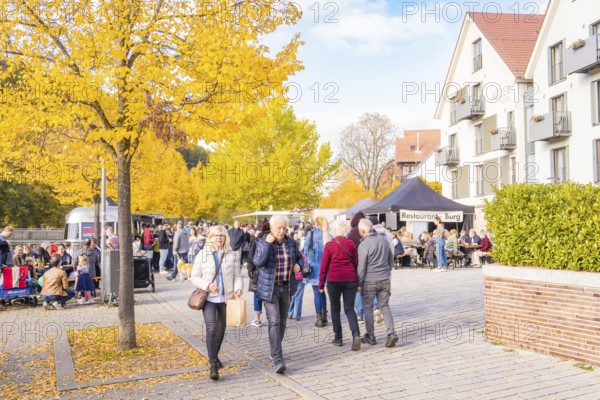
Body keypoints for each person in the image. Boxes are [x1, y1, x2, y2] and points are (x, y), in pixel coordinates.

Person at [190, 225, 243, 380]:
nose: (219, 239)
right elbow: (194, 277)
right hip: (209, 299)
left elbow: (238, 276)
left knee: (221, 330)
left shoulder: (231, 255)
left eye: (222, 236)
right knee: (211, 329)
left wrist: (238, 288)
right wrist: (208, 285)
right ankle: (213, 365)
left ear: (225, 238)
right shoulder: (203, 254)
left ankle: (215, 355)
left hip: (226, 298)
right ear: (210, 237)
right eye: (216, 236)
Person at [252, 214, 303, 374]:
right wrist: (267, 244)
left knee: (282, 323)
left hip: (286, 287)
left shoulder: (292, 243)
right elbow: (258, 262)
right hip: (270, 288)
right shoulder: (262, 241)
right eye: (278, 228)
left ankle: (274, 351)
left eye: (283, 228)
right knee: (274, 321)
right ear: (272, 229)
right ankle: (278, 358)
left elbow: (300, 259)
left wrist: (298, 266)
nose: (281, 231)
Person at [318, 220, 361, 351]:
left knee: (335, 309)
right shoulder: (351, 244)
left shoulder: (330, 245)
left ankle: (338, 337)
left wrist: (321, 284)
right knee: (349, 308)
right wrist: (358, 281)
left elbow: (324, 266)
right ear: (345, 230)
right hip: (350, 279)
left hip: (334, 280)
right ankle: (356, 334)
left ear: (334, 230)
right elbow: (356, 262)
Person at [356, 218, 398, 347]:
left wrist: (359, 283)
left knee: (368, 308)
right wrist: (386, 272)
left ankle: (370, 335)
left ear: (362, 230)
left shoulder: (363, 245)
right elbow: (391, 259)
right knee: (384, 306)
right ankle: (391, 333)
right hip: (384, 279)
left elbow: (361, 267)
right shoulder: (384, 240)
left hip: (369, 281)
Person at [305, 216, 330, 327]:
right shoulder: (329, 235)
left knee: (317, 292)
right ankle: (324, 316)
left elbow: (305, 251)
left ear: (315, 223)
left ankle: (319, 318)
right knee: (322, 291)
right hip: (327, 268)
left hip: (314, 268)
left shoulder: (311, 234)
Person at [248, 222, 269, 327]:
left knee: (257, 295)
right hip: (270, 272)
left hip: (258, 271)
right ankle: (273, 319)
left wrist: (250, 270)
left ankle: (257, 319)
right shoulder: (274, 239)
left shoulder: (258, 240)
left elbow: (251, 256)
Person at [288, 230, 306, 321]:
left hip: (293, 277)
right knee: (298, 296)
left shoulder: (290, 254)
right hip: (301, 277)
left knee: (292, 296)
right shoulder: (301, 255)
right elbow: (304, 264)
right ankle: (297, 315)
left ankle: (290, 313)